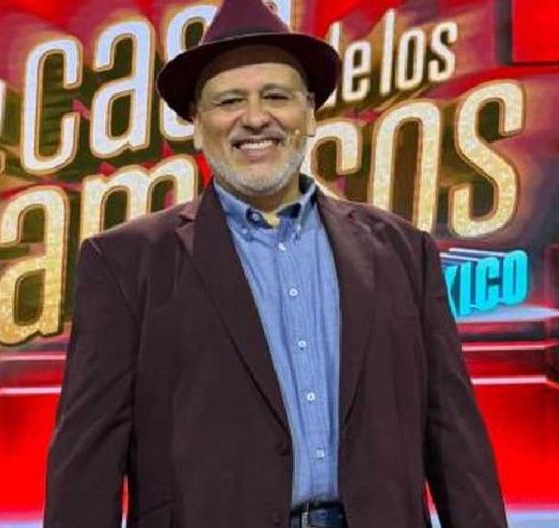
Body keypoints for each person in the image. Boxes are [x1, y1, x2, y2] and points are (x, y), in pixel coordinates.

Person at [44, 0, 508, 526]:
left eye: (276, 96)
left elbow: (454, 435)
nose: (254, 117)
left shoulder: (403, 251)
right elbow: (87, 464)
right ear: (196, 123)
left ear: (310, 113)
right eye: (229, 101)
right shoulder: (124, 263)